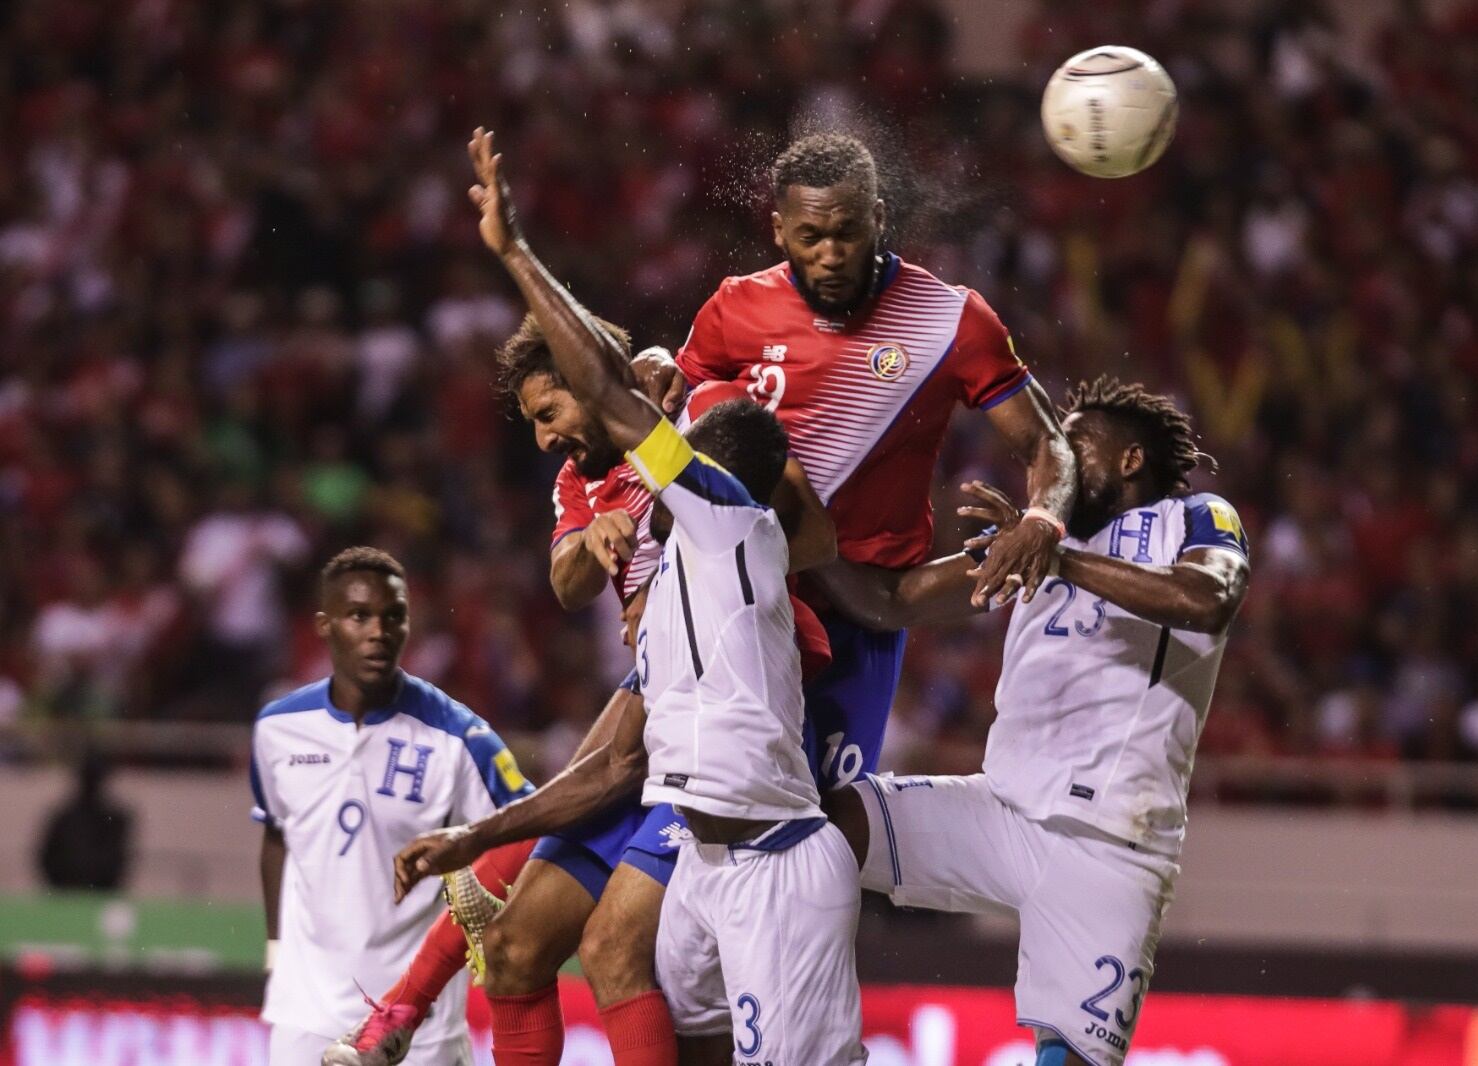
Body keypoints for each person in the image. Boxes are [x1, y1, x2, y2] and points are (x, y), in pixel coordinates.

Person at [345, 131, 835, 1066]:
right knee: (520, 951)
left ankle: (401, 1013)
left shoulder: (693, 419)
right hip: (657, 700)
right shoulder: (582, 478)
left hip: (723, 718)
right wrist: (604, 541)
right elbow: (568, 580)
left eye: (551, 414)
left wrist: (708, 558)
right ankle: (399, 1013)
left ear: (590, 387)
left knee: (611, 942)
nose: (544, 441)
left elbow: (812, 534)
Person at [816, 378, 1251, 1066]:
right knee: (811, 830)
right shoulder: (1037, 539)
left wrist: (1057, 557)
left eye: (1074, 445)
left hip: (1113, 844)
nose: (1057, 462)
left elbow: (1207, 598)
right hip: (1001, 808)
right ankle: (815, 1047)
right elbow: (890, 603)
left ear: (1131, 460)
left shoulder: (1196, 517)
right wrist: (798, 535)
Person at [631, 130, 1076, 797]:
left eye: (847, 233)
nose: (832, 254)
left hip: (859, 612)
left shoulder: (950, 320)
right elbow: (679, 427)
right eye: (811, 237)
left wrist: (1043, 517)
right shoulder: (734, 309)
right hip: (740, 593)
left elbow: (1045, 444)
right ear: (779, 230)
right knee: (690, 799)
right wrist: (641, 573)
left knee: (831, 812)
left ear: (878, 219)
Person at [252, 547, 533, 1066]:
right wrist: (276, 950)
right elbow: (276, 838)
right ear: (325, 625)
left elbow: (534, 828)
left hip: (419, 1031)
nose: (378, 631)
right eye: (359, 616)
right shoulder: (276, 729)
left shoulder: (461, 736)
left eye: (393, 616)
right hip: (304, 1018)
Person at [37, 754, 132, 891]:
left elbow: (117, 862)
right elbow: (46, 858)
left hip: (100, 894)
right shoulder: (63, 818)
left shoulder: (116, 820)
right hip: (66, 894)